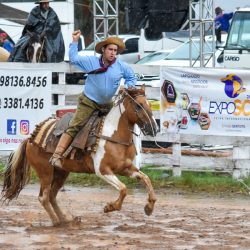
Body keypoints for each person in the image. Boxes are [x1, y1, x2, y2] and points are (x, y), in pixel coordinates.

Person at [49, 30, 137, 168]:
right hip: (88, 102)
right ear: (103, 50)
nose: (113, 53)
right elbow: (74, 58)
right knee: (76, 125)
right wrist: (75, 41)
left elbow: (132, 77)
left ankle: (109, 159)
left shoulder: (121, 66)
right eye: (110, 49)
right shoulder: (91, 61)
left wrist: (126, 86)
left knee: (114, 128)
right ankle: (57, 155)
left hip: (107, 104)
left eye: (115, 50)